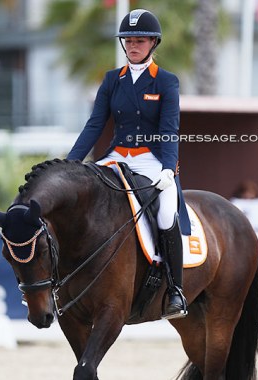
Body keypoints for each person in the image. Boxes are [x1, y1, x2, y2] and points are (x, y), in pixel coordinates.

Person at [67, 9, 188, 319]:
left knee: (164, 211)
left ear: (152, 43)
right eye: (129, 41)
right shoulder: (112, 80)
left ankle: (175, 289)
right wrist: (70, 165)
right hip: (116, 156)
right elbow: (94, 125)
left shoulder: (166, 82)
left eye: (140, 41)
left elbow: (169, 129)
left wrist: (167, 168)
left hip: (151, 159)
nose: (133, 46)